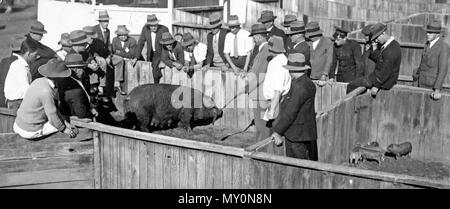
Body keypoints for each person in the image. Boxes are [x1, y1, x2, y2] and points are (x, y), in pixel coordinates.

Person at [13, 59, 78, 140]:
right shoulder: (47, 91)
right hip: (30, 130)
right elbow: (52, 117)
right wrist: (65, 129)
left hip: (18, 124)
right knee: (71, 130)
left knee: (63, 121)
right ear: (59, 77)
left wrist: (65, 122)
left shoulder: (38, 81)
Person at [271, 53, 318, 160]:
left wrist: (278, 131)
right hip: (306, 132)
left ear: (292, 70)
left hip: (296, 134)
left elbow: (290, 112)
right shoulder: (309, 83)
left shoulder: (298, 86)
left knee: (297, 168)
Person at [346, 23, 402, 96]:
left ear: (383, 33)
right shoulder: (392, 44)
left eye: (376, 38)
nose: (376, 41)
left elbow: (386, 71)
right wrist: (374, 50)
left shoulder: (390, 50)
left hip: (382, 81)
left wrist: (376, 86)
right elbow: (380, 59)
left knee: (352, 85)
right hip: (380, 78)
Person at [413, 21, 450, 100]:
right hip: (420, 82)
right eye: (427, 32)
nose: (427, 34)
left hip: (431, 86)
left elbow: (443, 70)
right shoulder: (427, 44)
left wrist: (437, 89)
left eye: (430, 33)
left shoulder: (443, 47)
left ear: (437, 34)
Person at [247, 23, 271, 142]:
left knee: (261, 123)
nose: (253, 39)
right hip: (259, 91)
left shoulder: (264, 51)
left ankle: (262, 147)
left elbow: (259, 75)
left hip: (260, 93)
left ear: (260, 37)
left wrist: (247, 88)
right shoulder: (263, 50)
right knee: (260, 122)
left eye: (254, 37)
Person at [56, 54, 98, 120]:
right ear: (75, 69)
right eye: (82, 68)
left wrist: (91, 107)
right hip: (77, 121)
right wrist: (90, 113)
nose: (84, 71)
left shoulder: (75, 80)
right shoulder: (74, 88)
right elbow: (81, 113)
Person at [4, 36, 38, 112]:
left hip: (17, 101)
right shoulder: (19, 66)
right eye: (35, 55)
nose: (36, 57)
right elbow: (26, 89)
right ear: (29, 53)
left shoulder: (21, 65)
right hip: (17, 102)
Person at [134, 14, 170, 84]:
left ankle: (156, 83)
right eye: (151, 26)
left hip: (161, 52)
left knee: (155, 65)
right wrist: (136, 57)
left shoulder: (164, 29)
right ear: (148, 26)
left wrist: (163, 59)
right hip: (151, 53)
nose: (154, 27)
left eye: (155, 25)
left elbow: (166, 45)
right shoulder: (145, 29)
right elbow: (141, 43)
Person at [262, 36, 291, 122]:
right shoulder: (280, 60)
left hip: (277, 102)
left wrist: (272, 110)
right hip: (275, 101)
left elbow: (277, 90)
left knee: (275, 129)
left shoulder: (278, 63)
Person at [111, 25, 137, 94]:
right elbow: (113, 52)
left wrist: (119, 52)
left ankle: (122, 88)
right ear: (117, 35)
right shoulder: (115, 40)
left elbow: (131, 54)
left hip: (129, 61)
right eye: (120, 35)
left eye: (125, 35)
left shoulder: (132, 41)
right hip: (119, 61)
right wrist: (123, 54)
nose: (123, 37)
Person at [0, 36, 20, 107]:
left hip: (2, 99)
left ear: (11, 47)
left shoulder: (4, 61)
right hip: (13, 102)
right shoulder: (22, 62)